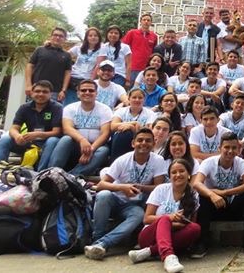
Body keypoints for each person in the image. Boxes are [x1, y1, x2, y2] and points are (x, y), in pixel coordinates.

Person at [84, 127, 165, 260]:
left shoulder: (158, 161)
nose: (143, 143)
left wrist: (140, 187)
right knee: (103, 195)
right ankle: (97, 237)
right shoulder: (123, 160)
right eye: (140, 140)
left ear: (154, 143)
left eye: (148, 141)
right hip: (115, 200)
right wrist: (123, 187)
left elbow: (159, 187)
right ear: (133, 143)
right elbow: (101, 185)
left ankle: (102, 244)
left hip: (133, 205)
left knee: (139, 215)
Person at [193, 132, 244, 257]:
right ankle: (201, 243)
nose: (230, 151)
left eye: (234, 148)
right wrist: (212, 194)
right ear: (220, 148)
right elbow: (197, 183)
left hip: (233, 204)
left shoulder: (240, 162)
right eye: (227, 147)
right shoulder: (208, 162)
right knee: (203, 197)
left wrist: (226, 192)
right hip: (214, 206)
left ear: (239, 149)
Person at [129, 158, 200, 273]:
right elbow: (147, 219)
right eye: (173, 172)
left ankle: (149, 252)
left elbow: (190, 223)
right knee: (165, 218)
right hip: (149, 236)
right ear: (169, 176)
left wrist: (176, 224)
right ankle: (168, 256)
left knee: (195, 228)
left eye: (181, 171)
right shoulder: (161, 189)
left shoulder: (193, 194)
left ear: (188, 174)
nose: (178, 175)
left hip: (174, 236)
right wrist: (170, 218)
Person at [48, 79, 113, 175]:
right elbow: (67, 128)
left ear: (96, 93)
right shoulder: (70, 108)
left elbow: (105, 133)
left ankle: (72, 176)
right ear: (78, 93)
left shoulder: (105, 109)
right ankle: (52, 173)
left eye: (91, 90)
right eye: (83, 90)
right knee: (66, 139)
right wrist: (82, 140)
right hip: (75, 145)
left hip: (95, 147)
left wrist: (90, 149)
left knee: (104, 150)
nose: (87, 92)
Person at [0, 80, 62, 170]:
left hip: (46, 142)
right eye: (37, 91)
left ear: (50, 94)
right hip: (28, 142)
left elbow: (57, 132)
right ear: (32, 93)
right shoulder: (24, 108)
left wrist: (38, 134)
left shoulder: (57, 108)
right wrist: (17, 136)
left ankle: (40, 173)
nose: (41, 94)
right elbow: (14, 128)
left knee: (52, 141)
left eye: (45, 92)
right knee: (6, 138)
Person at [109, 89, 158, 162]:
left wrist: (132, 128)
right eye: (134, 97)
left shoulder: (150, 114)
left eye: (140, 98)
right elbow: (113, 126)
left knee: (127, 133)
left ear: (144, 100)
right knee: (123, 134)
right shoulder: (121, 111)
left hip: (140, 141)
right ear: (129, 99)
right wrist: (133, 124)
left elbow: (149, 131)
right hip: (119, 141)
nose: (137, 100)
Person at [25, 27, 72, 102]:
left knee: (49, 114)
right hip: (36, 90)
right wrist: (28, 85)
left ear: (64, 39)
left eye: (61, 36)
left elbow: (68, 73)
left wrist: (63, 90)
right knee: (32, 113)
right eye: (55, 35)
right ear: (51, 36)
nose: (57, 37)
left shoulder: (67, 55)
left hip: (55, 93)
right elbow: (29, 66)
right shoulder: (40, 50)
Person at [65, 27, 103, 105]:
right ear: (86, 37)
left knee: (82, 104)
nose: (93, 37)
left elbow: (98, 66)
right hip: (73, 78)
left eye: (95, 35)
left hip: (86, 80)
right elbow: (64, 56)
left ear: (99, 38)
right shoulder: (78, 48)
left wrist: (91, 80)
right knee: (69, 104)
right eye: (90, 35)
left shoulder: (102, 50)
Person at [123, 13, 158, 83]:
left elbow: (153, 52)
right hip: (133, 67)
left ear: (151, 22)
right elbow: (123, 48)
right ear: (140, 21)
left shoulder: (154, 36)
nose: (146, 22)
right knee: (131, 90)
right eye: (144, 20)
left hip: (146, 68)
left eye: (148, 20)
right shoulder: (132, 33)